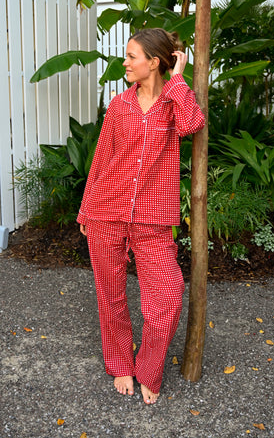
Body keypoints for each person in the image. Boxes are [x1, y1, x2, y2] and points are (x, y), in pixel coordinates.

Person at [78, 28, 205, 404]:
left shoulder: (173, 103)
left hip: (152, 218)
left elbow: (193, 124)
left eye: (132, 56)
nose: (125, 62)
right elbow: (101, 159)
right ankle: (120, 363)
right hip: (107, 210)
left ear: (154, 62)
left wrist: (178, 80)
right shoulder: (119, 106)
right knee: (110, 295)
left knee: (167, 294)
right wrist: (87, 209)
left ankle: (148, 367)